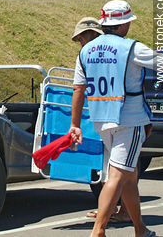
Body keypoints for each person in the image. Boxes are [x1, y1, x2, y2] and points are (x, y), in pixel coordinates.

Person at [69, 0, 159, 237]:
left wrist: (75, 125)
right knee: (117, 177)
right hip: (130, 120)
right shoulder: (132, 47)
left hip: (101, 121)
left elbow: (78, 89)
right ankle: (98, 231)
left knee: (129, 177)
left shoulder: (85, 51)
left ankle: (141, 229)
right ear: (123, 24)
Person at [72, 17, 132, 223]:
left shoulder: (95, 55)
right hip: (117, 118)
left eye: (81, 39)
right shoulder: (105, 54)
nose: (80, 44)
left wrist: (75, 124)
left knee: (115, 170)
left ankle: (103, 221)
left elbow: (79, 89)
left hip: (117, 118)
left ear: (92, 36)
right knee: (122, 170)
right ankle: (123, 214)